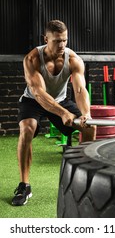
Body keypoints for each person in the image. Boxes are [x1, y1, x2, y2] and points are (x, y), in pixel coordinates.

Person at [12, 19, 96, 206]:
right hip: (34, 101)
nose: (62, 45)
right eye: (57, 41)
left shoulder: (73, 59)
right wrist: (62, 113)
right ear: (46, 39)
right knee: (27, 129)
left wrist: (86, 114)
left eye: (65, 40)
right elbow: (39, 93)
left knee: (90, 128)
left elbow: (80, 89)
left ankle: (86, 178)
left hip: (60, 99)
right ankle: (24, 185)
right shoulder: (32, 58)